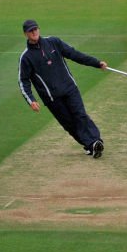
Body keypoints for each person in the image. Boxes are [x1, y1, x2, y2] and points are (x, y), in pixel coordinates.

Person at [17, 19, 108, 158]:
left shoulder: (53, 42)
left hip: (69, 88)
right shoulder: (26, 57)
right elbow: (23, 81)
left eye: (35, 29)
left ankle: (95, 141)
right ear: (26, 34)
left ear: (39, 29)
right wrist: (31, 100)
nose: (34, 32)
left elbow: (75, 54)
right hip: (52, 98)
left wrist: (96, 63)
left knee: (80, 115)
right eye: (30, 31)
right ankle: (91, 145)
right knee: (69, 124)